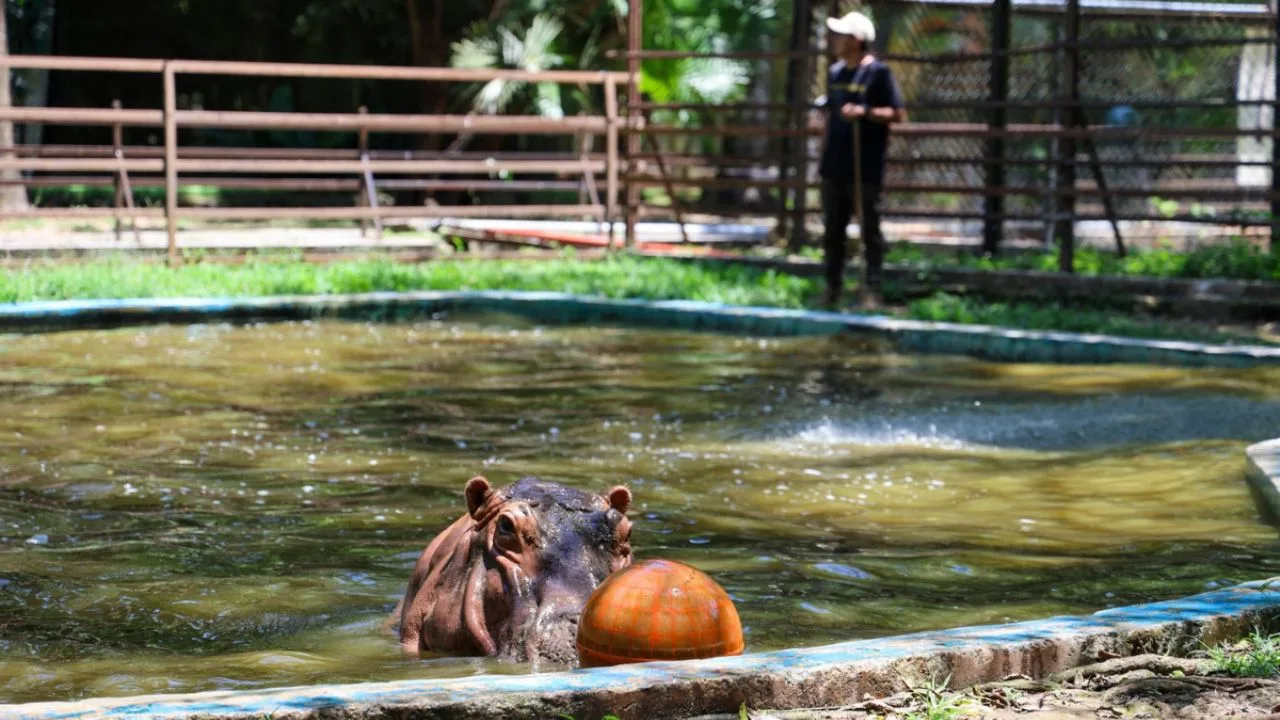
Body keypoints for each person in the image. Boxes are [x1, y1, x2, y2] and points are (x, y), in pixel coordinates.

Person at [815, 11, 905, 309]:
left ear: (856, 40)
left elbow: (896, 113)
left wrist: (864, 112)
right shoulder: (835, 73)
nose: (834, 40)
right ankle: (832, 288)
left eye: (840, 35)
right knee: (832, 230)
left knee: (869, 229)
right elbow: (830, 114)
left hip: (864, 165)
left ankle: (872, 288)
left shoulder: (878, 73)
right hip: (834, 164)